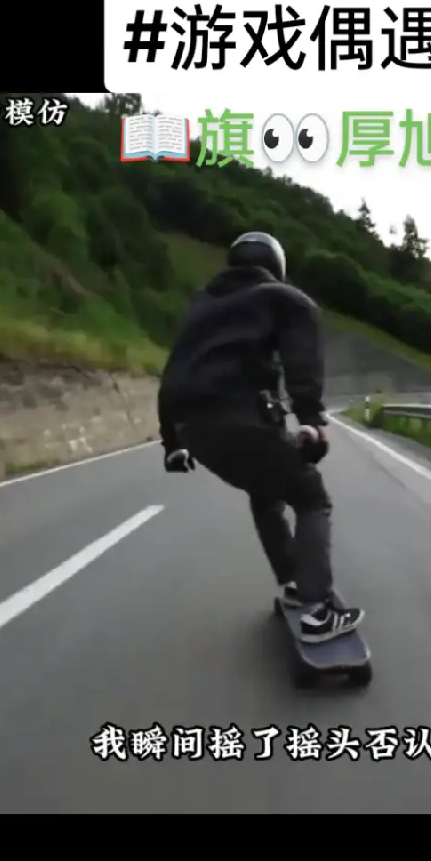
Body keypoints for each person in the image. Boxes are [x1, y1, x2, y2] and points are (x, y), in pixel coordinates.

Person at [158, 231, 365, 643]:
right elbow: (300, 358)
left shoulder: (200, 308)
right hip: (241, 419)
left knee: (265, 492)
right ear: (276, 266)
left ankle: (295, 581)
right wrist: (310, 418)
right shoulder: (285, 298)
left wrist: (172, 443)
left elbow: (173, 374)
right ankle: (318, 611)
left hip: (190, 428)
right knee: (311, 497)